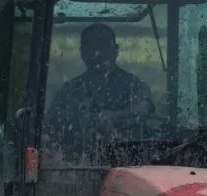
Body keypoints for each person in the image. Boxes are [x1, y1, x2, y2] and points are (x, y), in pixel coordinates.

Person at [46, 23, 154, 152]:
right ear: (82, 53)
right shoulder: (69, 90)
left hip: (125, 158)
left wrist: (113, 116)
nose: (97, 54)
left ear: (116, 50)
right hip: (77, 163)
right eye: (92, 48)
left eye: (103, 47)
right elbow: (50, 127)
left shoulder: (133, 84)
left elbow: (143, 109)